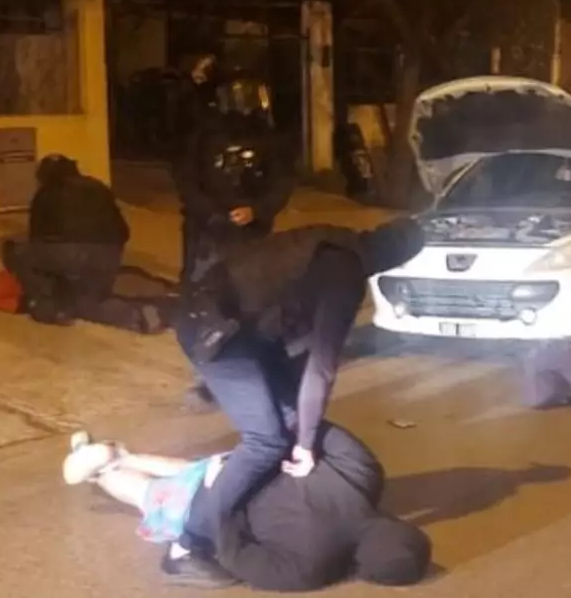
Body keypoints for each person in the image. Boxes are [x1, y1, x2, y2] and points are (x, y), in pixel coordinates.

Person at [168, 218, 426, 588]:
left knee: (286, 417)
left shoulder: (333, 240)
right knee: (266, 440)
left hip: (224, 320)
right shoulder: (347, 274)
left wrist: (297, 420)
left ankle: (233, 476)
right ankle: (187, 545)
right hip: (216, 332)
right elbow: (322, 365)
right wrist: (304, 444)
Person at [61, 423, 432, 591]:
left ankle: (117, 456)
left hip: (247, 465)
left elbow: (318, 427)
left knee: (191, 469)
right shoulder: (309, 570)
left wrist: (287, 444)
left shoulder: (364, 477)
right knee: (148, 494)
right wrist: (221, 506)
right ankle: (102, 471)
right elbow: (235, 554)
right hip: (213, 505)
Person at [175, 64, 295, 402]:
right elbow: (187, 181)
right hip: (208, 233)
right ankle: (209, 371)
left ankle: (257, 366)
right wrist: (214, 214)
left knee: (253, 300)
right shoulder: (203, 135)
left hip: (251, 233)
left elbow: (282, 182)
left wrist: (257, 210)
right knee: (206, 300)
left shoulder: (268, 138)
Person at [10, 154, 162, 332]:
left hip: (69, 255)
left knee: (19, 254)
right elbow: (123, 231)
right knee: (90, 302)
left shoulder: (46, 193)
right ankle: (137, 314)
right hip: (108, 255)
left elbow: (36, 238)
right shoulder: (98, 187)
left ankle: (49, 305)